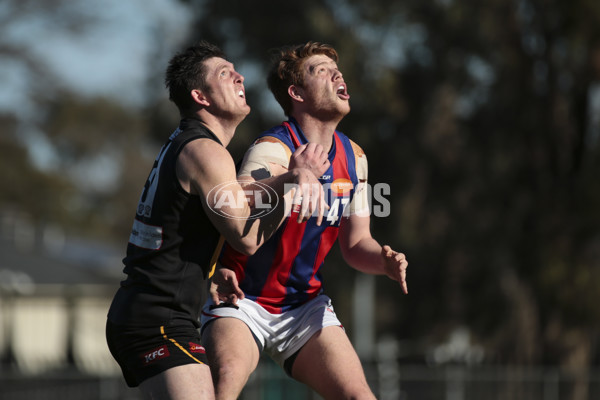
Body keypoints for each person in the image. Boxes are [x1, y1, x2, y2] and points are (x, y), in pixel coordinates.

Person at [105, 41, 328, 400]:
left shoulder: (188, 143)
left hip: (151, 314)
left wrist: (210, 269)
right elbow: (247, 238)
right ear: (200, 96)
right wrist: (293, 178)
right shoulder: (208, 152)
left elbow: (185, 223)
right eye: (225, 73)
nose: (239, 76)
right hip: (156, 321)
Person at [201, 41, 409, 400]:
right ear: (295, 93)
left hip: (302, 306)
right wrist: (292, 178)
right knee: (227, 380)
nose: (337, 74)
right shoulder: (273, 149)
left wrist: (383, 261)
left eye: (336, 68)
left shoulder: (354, 157)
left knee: (361, 396)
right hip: (243, 298)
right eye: (321, 70)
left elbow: (357, 244)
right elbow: (235, 202)